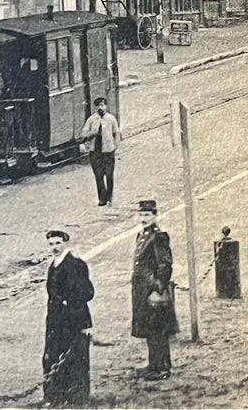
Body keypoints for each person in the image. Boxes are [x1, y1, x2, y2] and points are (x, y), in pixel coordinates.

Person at [42, 229, 94, 407]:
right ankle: (56, 396)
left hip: (72, 320)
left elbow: (87, 292)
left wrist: (68, 303)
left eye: (58, 243)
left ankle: (76, 398)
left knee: (74, 359)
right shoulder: (54, 264)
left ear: (65, 243)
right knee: (53, 357)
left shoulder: (76, 264)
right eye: (51, 244)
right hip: (56, 321)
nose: (54, 247)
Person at [130, 200, 177, 380]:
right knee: (150, 328)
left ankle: (162, 368)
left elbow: (165, 265)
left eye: (147, 215)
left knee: (158, 329)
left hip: (151, 290)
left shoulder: (159, 236)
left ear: (155, 216)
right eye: (141, 215)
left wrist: (157, 288)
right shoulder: (142, 235)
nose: (143, 218)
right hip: (141, 290)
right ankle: (153, 364)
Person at [79, 98, 122, 206]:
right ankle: (102, 198)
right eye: (98, 106)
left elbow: (116, 132)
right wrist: (91, 133)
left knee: (109, 175)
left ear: (106, 106)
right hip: (95, 151)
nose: (100, 108)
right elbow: (83, 134)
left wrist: (115, 146)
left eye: (102, 105)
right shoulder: (92, 119)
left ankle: (109, 197)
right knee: (99, 176)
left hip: (108, 151)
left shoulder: (111, 119)